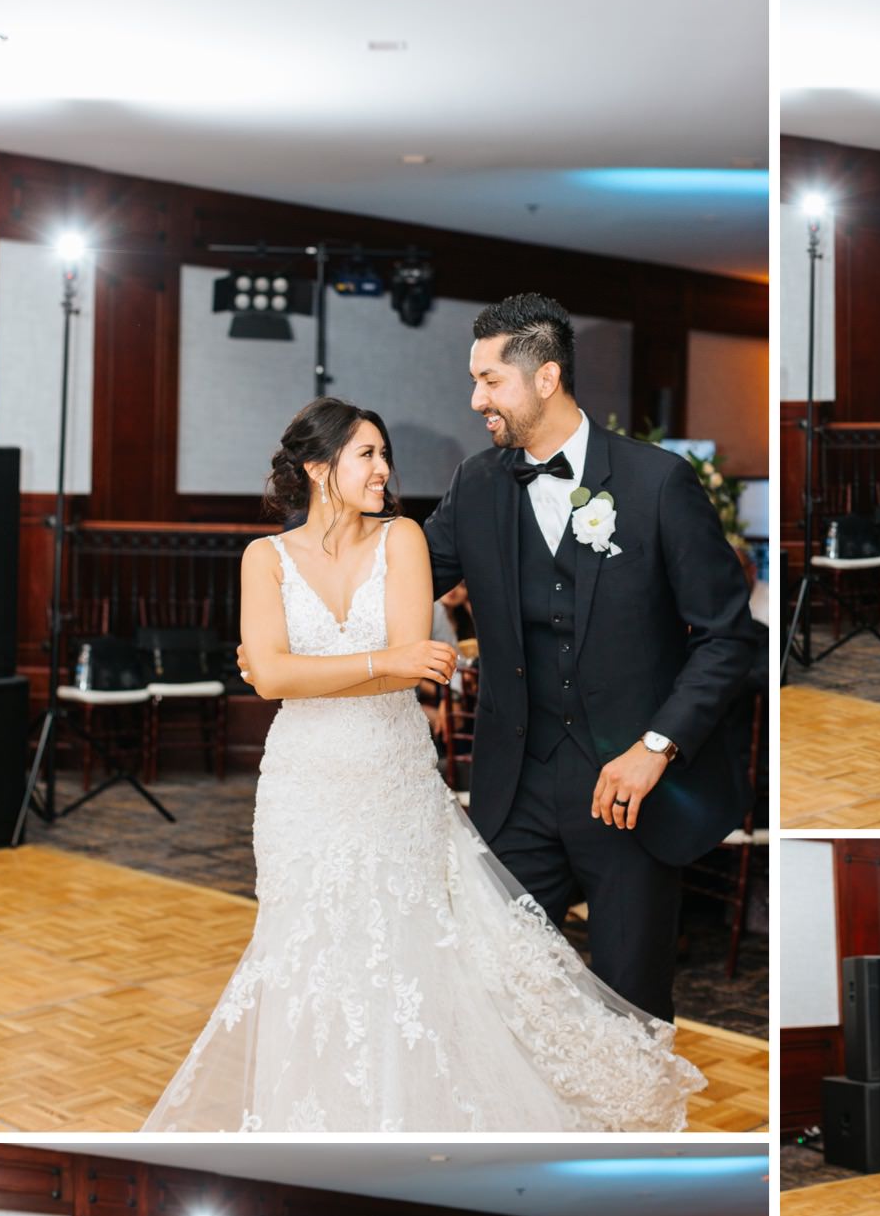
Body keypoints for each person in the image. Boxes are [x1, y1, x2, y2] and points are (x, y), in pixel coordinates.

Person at [145, 389, 702, 1132]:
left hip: (390, 778)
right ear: (318, 468)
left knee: (410, 956)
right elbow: (276, 678)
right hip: (301, 785)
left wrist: (320, 667)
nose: (384, 470)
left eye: (384, 455)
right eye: (366, 455)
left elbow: (411, 669)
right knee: (307, 952)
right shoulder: (262, 557)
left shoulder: (402, 539)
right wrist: (373, 659)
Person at [423, 293, 761, 1027]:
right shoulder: (476, 485)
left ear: (546, 378)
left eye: (490, 380)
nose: (476, 397)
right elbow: (402, 574)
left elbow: (729, 639)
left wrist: (656, 747)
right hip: (516, 788)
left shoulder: (658, 482)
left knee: (630, 1006)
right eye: (476, 380)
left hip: (632, 794)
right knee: (503, 996)